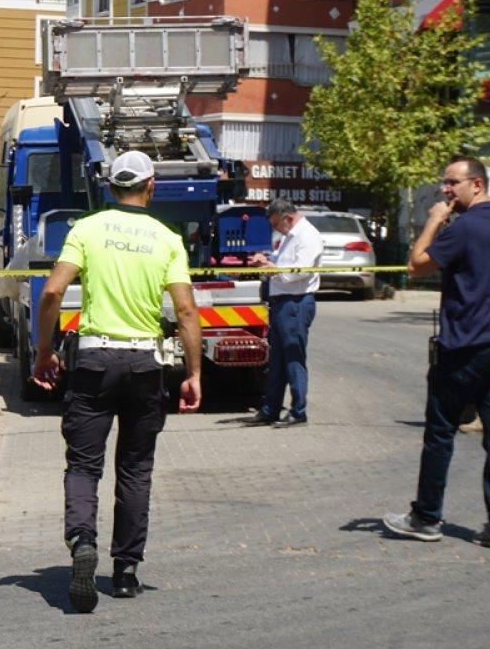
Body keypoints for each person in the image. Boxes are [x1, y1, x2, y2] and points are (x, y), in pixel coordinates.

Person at [32, 150, 203, 614]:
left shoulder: (86, 229)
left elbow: (51, 290)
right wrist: (193, 373)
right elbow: (186, 311)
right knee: (135, 468)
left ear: (110, 189)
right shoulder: (167, 239)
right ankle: (125, 572)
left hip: (93, 361)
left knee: (85, 465)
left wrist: (43, 351)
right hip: (145, 364)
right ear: (152, 187)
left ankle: (82, 540)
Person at [383, 155, 490, 550]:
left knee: (440, 434)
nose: (445, 190)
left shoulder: (466, 228)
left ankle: (426, 518)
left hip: (464, 352)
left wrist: (433, 220)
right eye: (444, 183)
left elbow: (415, 266)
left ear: (476, 185)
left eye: (452, 183)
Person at [241, 199, 323, 428]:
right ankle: (271, 409)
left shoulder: (307, 236)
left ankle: (298, 411)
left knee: (293, 358)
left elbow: (299, 271)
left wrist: (272, 270)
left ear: (287, 217)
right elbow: (285, 263)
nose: (276, 229)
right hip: (281, 302)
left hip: (295, 303)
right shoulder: (290, 235)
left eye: (277, 224)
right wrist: (268, 261)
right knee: (277, 359)